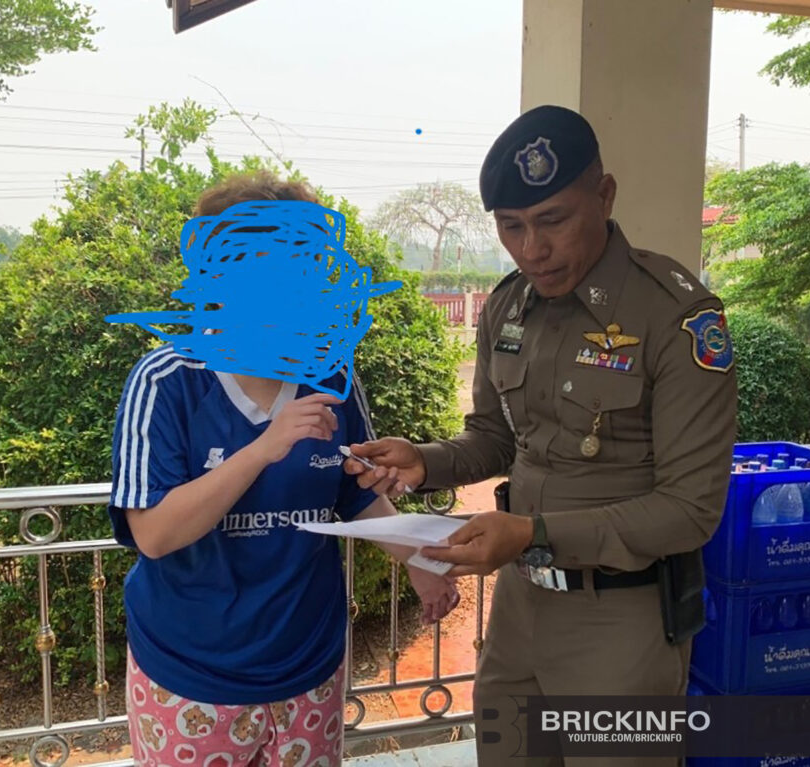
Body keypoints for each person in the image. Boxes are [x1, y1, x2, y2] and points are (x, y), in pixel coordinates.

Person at [345, 105, 738, 766]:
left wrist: (533, 532)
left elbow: (690, 509)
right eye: (511, 226)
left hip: (621, 621)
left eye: (553, 219)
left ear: (604, 196)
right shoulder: (508, 304)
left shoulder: (674, 316)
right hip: (520, 610)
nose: (532, 248)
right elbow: (495, 438)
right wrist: (425, 462)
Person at [107, 172, 459, 767]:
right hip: (191, 673)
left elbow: (354, 494)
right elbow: (155, 534)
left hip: (309, 664)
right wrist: (262, 449)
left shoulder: (331, 378)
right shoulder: (166, 381)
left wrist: (420, 562)